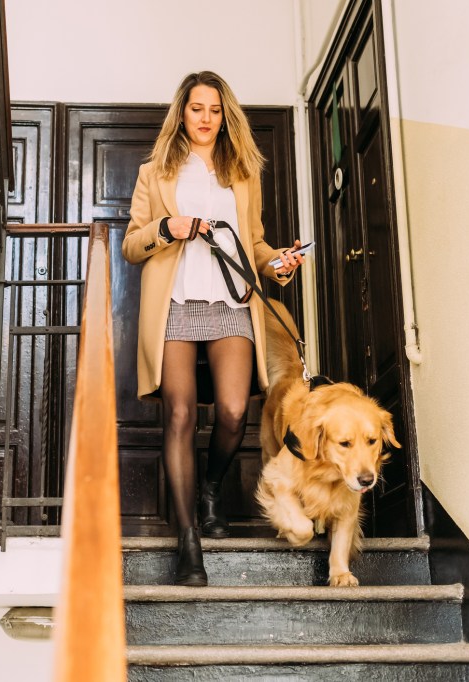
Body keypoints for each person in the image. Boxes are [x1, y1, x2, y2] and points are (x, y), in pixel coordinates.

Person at [121, 71, 305, 586]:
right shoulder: (155, 172)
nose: (206, 118)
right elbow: (132, 244)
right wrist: (169, 227)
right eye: (197, 108)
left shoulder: (242, 173)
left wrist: (277, 264)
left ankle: (210, 489)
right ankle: (187, 540)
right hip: (175, 303)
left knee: (230, 410)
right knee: (178, 414)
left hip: (231, 302)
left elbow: (256, 244)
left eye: (215, 110)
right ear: (182, 112)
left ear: (226, 117)